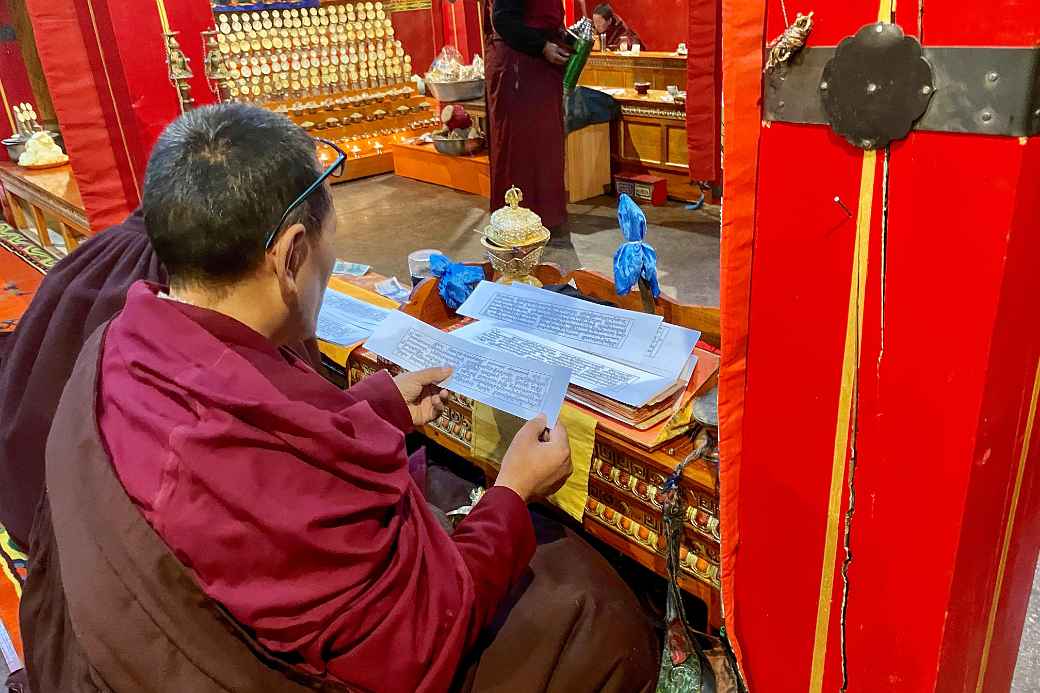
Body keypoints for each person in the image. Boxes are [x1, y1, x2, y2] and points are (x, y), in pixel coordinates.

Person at [21, 103, 659, 692]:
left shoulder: (122, 342)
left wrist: (375, 407)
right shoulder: (249, 455)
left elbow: (265, 416)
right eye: (330, 241)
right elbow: (418, 641)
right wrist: (512, 495)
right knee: (596, 609)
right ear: (293, 254)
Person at [485, 0, 570, 235]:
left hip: (537, 68)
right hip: (519, 66)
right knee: (518, 150)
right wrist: (542, 46)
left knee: (545, 147)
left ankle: (544, 218)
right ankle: (515, 225)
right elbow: (503, 19)